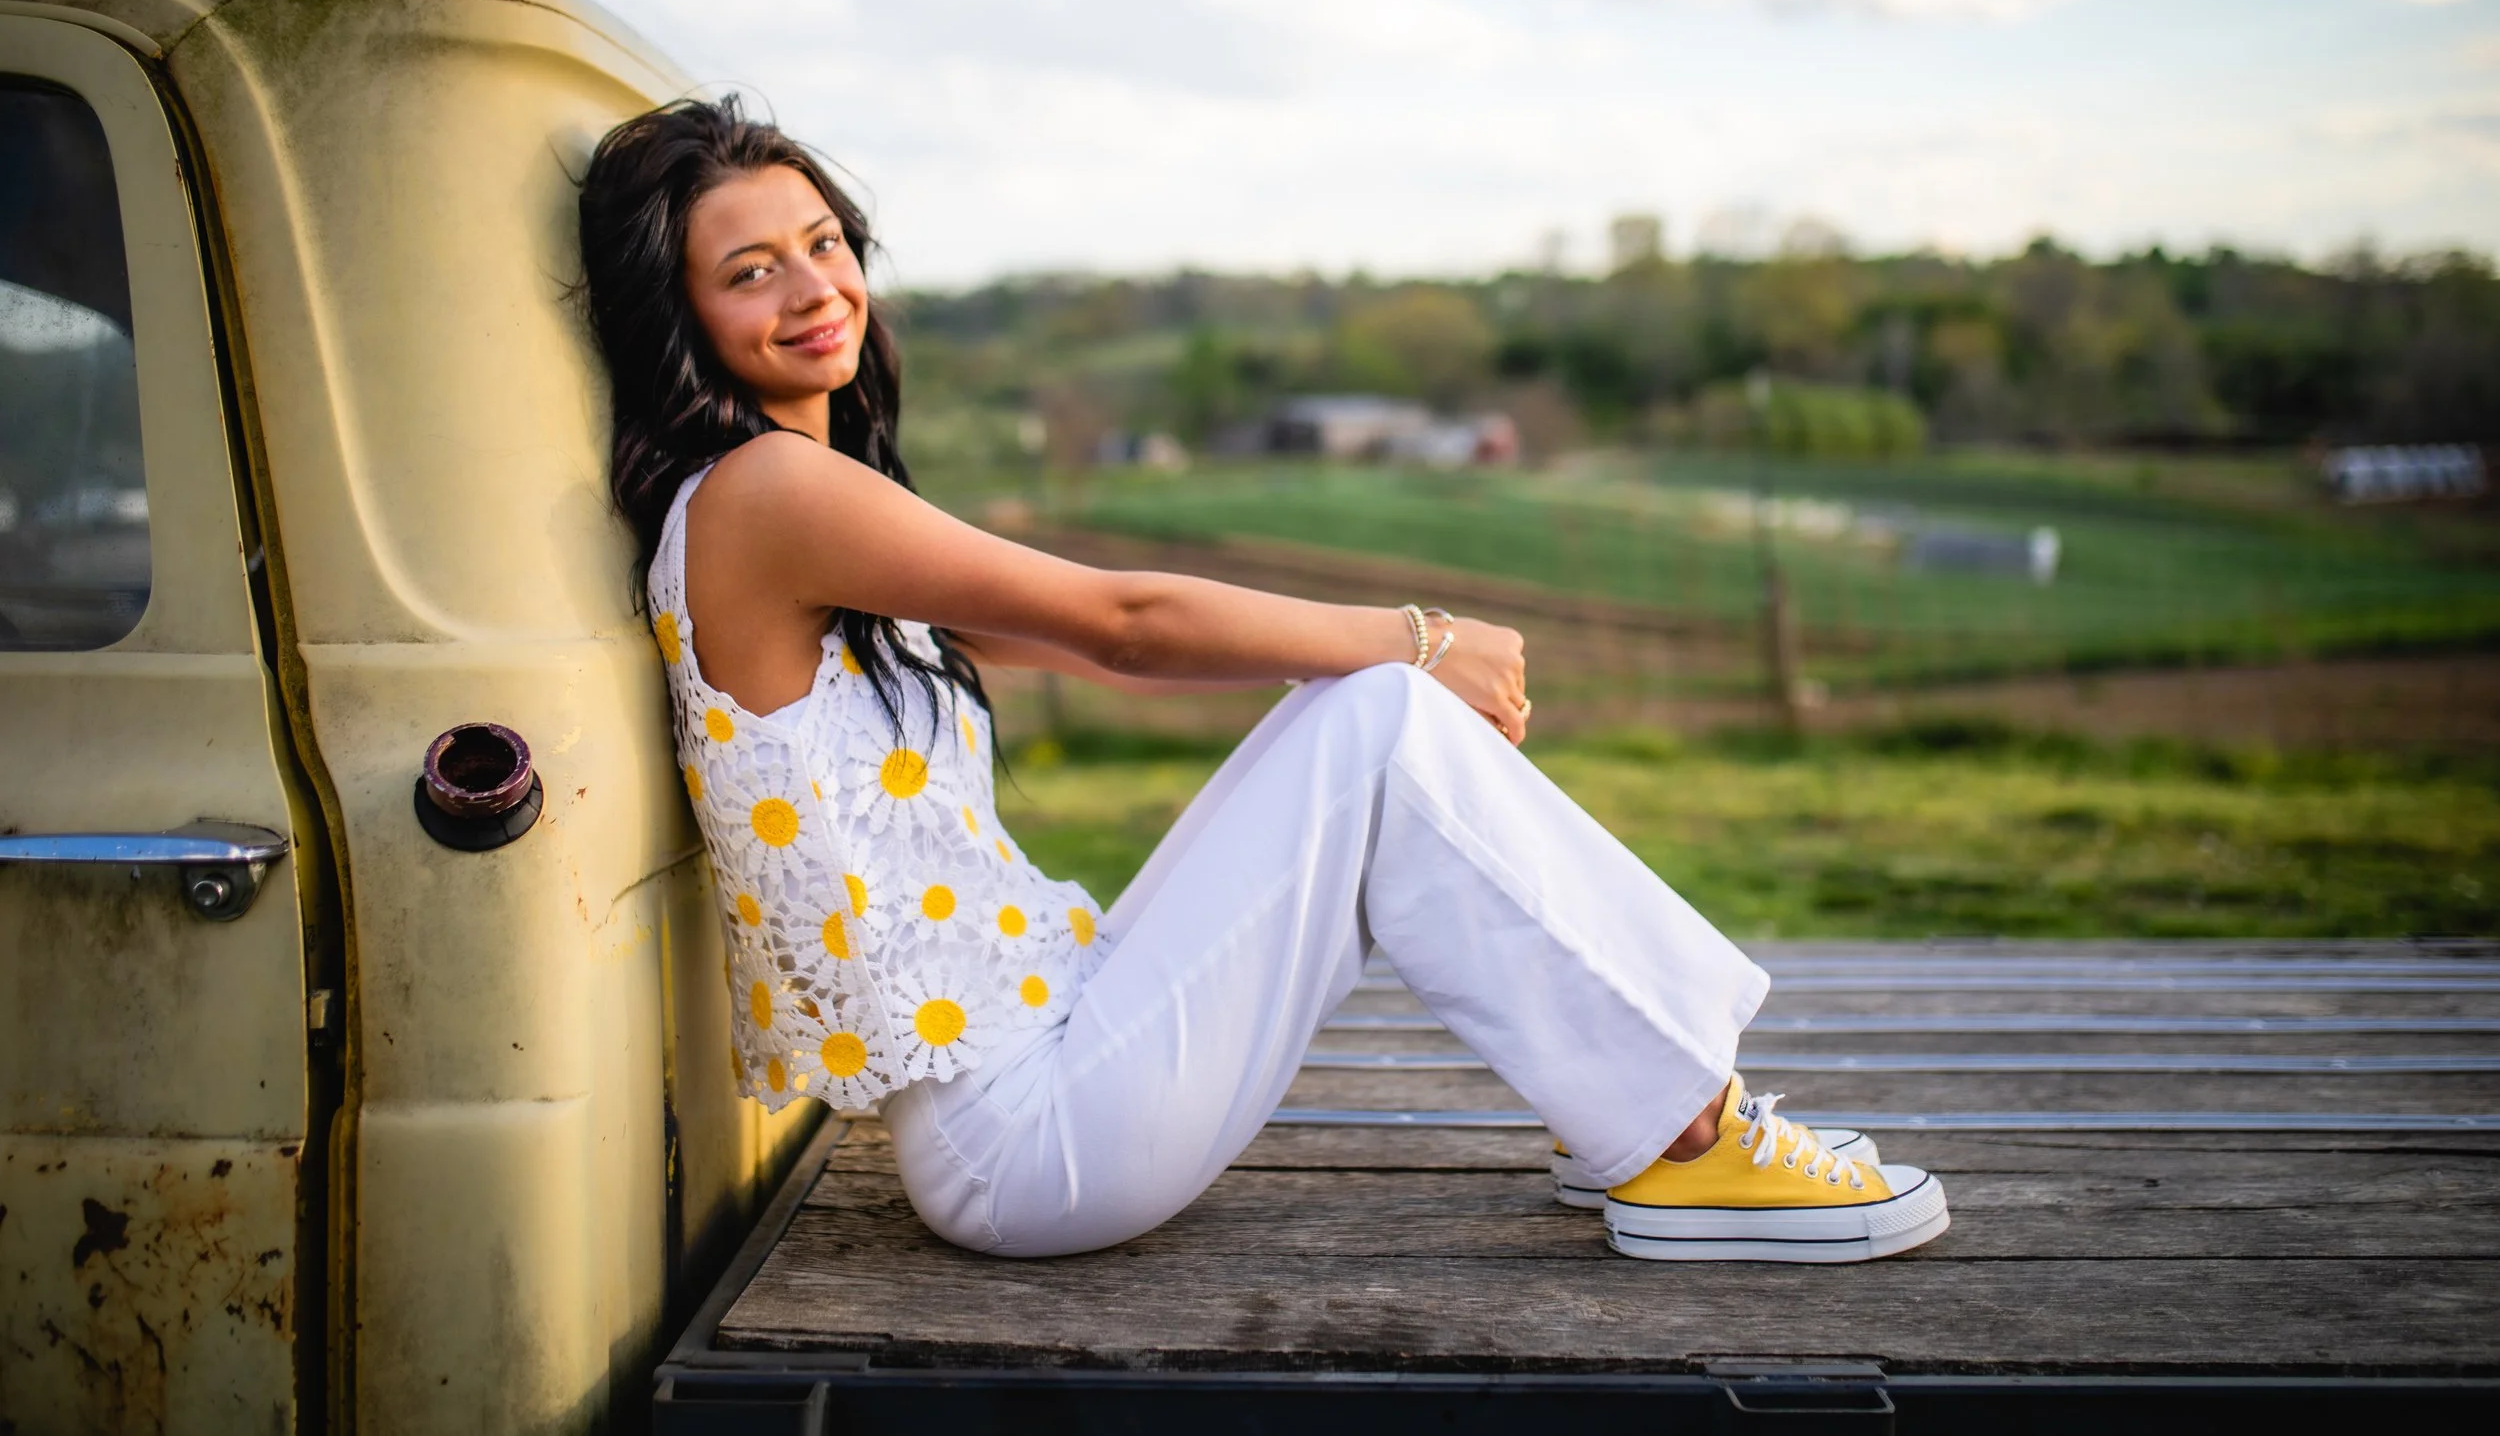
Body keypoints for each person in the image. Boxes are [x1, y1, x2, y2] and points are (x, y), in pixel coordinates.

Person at [576, 95, 1948, 1264]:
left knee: (1364, 720)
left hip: (1046, 1047)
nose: (816, 289)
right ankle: (1684, 1135)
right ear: (679, 314)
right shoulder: (766, 492)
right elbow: (1120, 621)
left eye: (823, 242)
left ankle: (1641, 1108)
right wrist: (1416, 633)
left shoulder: (795, 495)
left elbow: (1063, 638)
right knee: (1379, 713)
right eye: (751, 269)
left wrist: (1374, 667)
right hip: (1026, 1138)